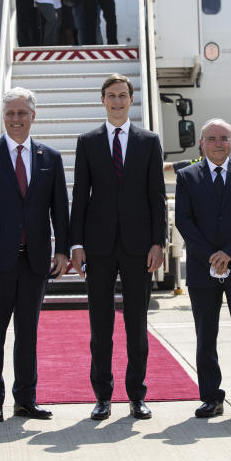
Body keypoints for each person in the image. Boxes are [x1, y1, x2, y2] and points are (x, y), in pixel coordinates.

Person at [0, 87, 69, 422]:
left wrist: (63, 250)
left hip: (35, 261)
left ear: (33, 116)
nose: (16, 119)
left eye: (22, 113)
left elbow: (60, 210)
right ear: (3, 117)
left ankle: (26, 399)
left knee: (28, 336)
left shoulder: (49, 158)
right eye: (10, 113)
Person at [70, 74, 167, 420]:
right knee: (101, 326)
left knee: (136, 325)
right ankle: (103, 395)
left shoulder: (148, 140)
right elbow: (80, 195)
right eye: (111, 96)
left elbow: (157, 196)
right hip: (98, 247)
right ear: (102, 100)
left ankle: (137, 395)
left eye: (122, 95)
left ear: (131, 99)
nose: (117, 101)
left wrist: (159, 241)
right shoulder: (88, 141)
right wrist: (76, 244)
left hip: (140, 247)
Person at [175, 119, 231, 418]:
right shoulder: (187, 176)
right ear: (202, 142)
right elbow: (184, 220)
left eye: (224, 138)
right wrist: (211, 256)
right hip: (203, 268)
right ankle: (211, 397)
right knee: (206, 336)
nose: (218, 143)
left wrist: (229, 252)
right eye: (212, 138)